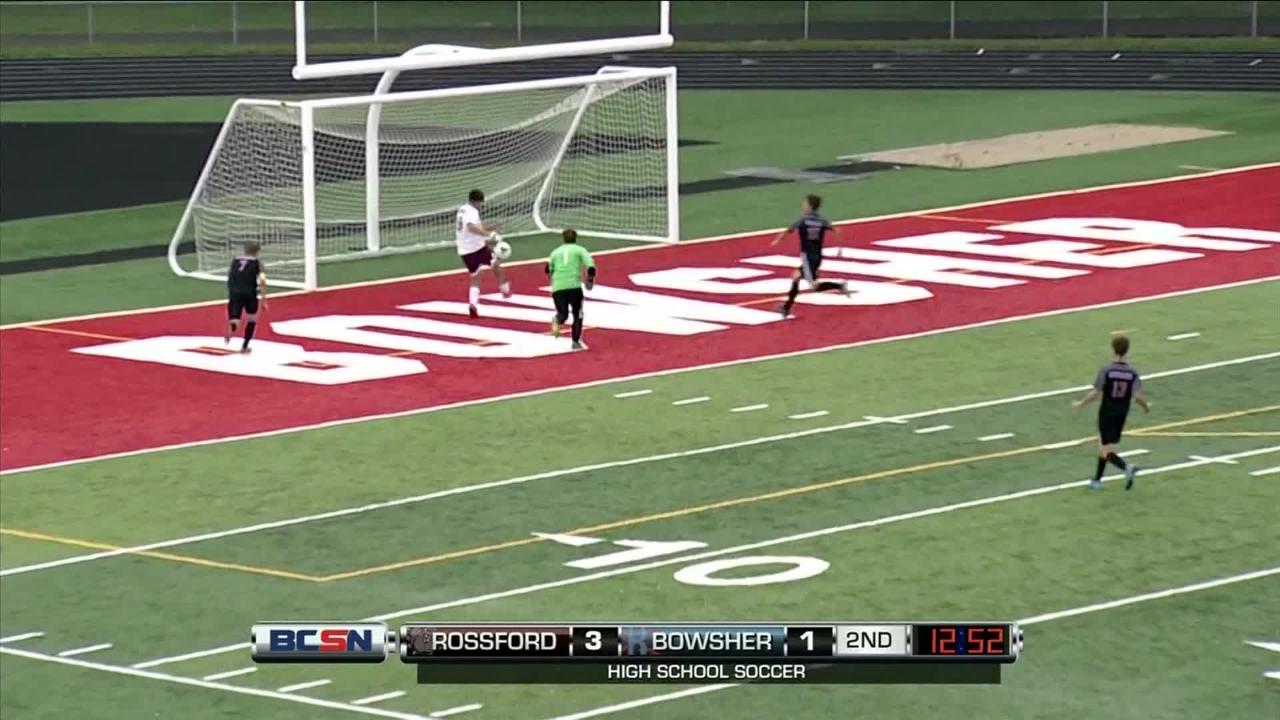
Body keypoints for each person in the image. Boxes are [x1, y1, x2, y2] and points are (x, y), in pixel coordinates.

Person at [1073, 334, 1151, 490]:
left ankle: (1126, 467)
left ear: (1113, 349)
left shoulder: (1107, 370)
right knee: (1105, 446)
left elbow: (1096, 392)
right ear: (1127, 351)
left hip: (1107, 412)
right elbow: (1137, 396)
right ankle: (1097, 481)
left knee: (1104, 449)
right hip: (1122, 413)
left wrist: (1081, 403)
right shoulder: (1132, 372)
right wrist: (1146, 406)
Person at [769, 193, 851, 317]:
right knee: (796, 277)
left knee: (813, 286)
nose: (803, 205)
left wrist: (777, 240)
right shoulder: (821, 221)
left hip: (807, 257)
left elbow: (788, 230)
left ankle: (839, 286)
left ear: (810, 206)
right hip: (817, 256)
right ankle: (786, 308)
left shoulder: (803, 220)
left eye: (805, 203)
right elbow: (838, 230)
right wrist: (839, 248)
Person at [455, 189, 511, 318]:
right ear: (477, 201)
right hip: (477, 248)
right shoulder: (472, 211)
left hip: (464, 251)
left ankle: (473, 304)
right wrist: (490, 235)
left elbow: (475, 226)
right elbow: (471, 227)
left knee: (476, 276)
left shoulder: (462, 209)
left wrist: (491, 227)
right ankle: (504, 289)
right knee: (495, 262)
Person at [546, 228, 595, 350]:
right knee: (577, 314)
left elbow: (548, 269)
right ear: (575, 238)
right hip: (574, 287)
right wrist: (589, 280)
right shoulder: (580, 250)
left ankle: (557, 320)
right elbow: (591, 266)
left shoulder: (555, 252)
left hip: (558, 287)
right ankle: (575, 341)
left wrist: (555, 280)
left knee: (563, 314)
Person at [224, 240, 268, 354]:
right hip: (250, 293)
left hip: (235, 292)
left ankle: (234, 322)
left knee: (235, 315)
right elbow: (262, 280)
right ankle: (245, 346)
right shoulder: (258, 263)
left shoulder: (235, 261)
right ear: (257, 251)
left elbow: (231, 275)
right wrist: (264, 299)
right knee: (251, 319)